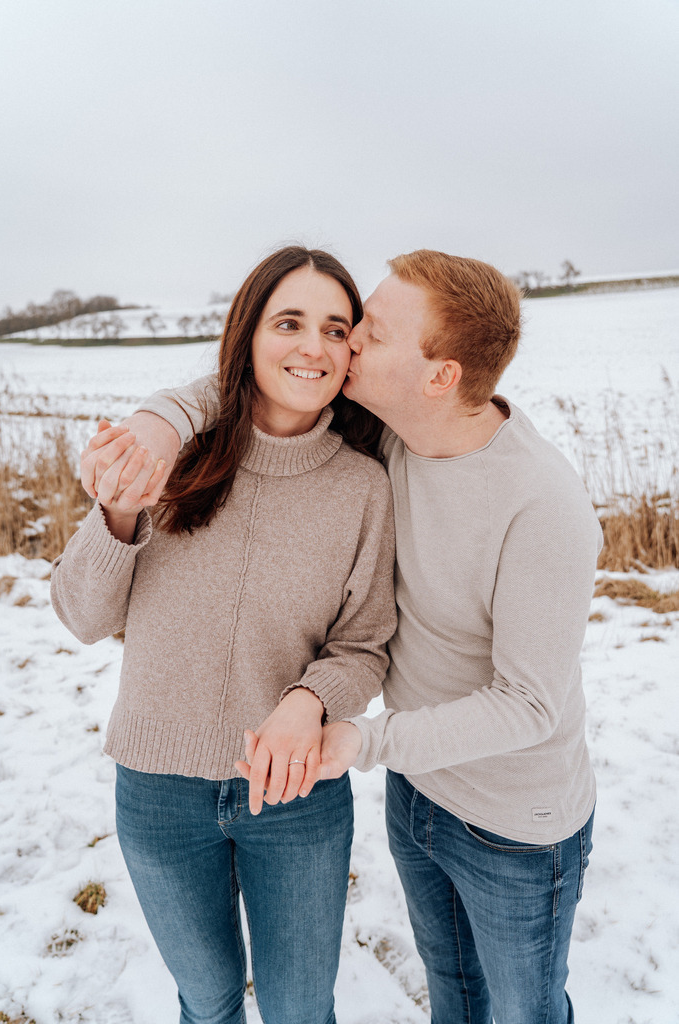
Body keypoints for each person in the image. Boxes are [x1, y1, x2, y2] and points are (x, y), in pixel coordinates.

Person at [86, 249, 602, 1024]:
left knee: (516, 1011)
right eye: (339, 323)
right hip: (412, 793)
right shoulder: (379, 440)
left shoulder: (512, 500)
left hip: (505, 823)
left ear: (438, 377)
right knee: (448, 994)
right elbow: (252, 387)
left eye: (363, 332)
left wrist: (346, 730)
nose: (342, 346)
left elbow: (508, 696)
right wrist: (157, 429)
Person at [50, 246, 397, 1024]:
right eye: (289, 322)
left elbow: (364, 644)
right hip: (157, 791)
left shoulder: (362, 486)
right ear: (247, 335)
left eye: (335, 328)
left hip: (296, 796)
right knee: (206, 1003)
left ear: (351, 351)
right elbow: (79, 616)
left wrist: (312, 698)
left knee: (300, 1009)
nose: (313, 346)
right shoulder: (172, 458)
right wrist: (118, 511)